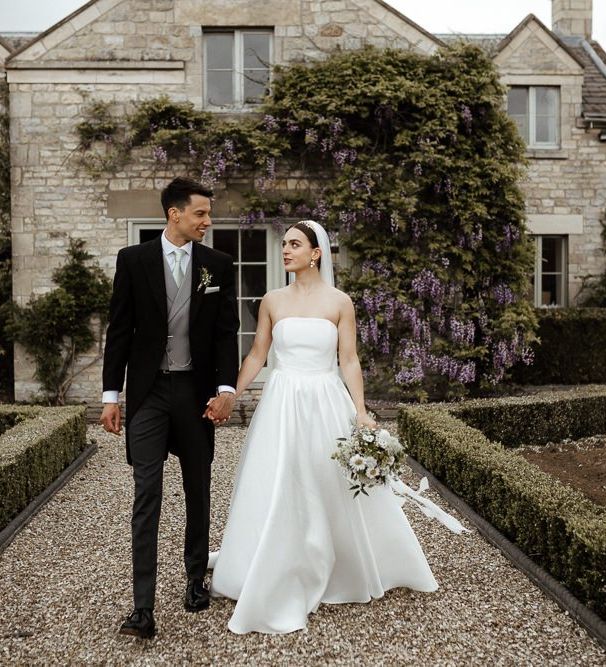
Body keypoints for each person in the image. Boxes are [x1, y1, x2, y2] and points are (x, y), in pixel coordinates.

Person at [208, 220, 439, 635]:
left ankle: (342, 566)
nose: (286, 251)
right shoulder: (272, 300)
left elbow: (348, 360)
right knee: (280, 481)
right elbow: (258, 355)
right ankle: (271, 563)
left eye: (295, 244)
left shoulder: (339, 301)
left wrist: (362, 410)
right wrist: (232, 394)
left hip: (324, 398)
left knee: (325, 480)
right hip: (282, 400)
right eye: (285, 245)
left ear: (316, 253)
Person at [100, 176, 240, 639]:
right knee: (147, 494)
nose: (207, 221)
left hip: (196, 394)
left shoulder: (218, 264)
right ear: (174, 213)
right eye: (201, 213)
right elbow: (119, 330)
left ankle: (195, 580)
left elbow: (225, 332)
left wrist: (224, 389)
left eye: (208, 213)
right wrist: (110, 396)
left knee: (198, 489)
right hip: (148, 394)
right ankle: (142, 608)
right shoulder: (133, 260)